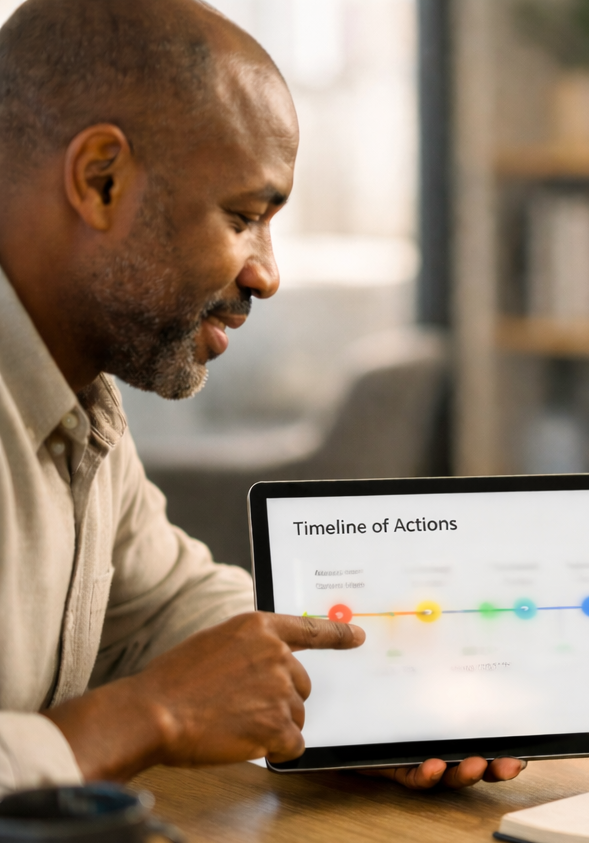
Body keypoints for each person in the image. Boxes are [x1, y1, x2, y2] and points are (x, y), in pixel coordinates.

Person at [0, 0, 524, 794]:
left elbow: (162, 606)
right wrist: (153, 715)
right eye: (244, 218)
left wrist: (379, 699)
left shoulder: (78, 402)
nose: (266, 274)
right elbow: (164, 687)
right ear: (101, 180)